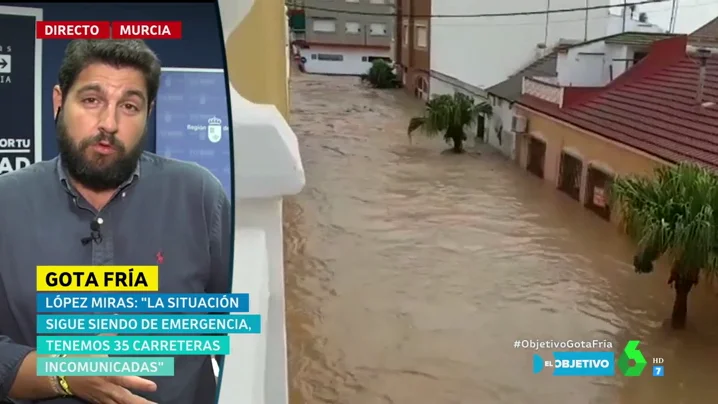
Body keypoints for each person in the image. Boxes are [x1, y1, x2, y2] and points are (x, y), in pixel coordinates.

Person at [0, 40, 231, 403]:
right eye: (91, 100)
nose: (109, 123)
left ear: (148, 113)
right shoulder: (6, 203)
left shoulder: (200, 195)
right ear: (59, 102)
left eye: (129, 105)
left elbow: (235, 336)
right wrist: (64, 374)